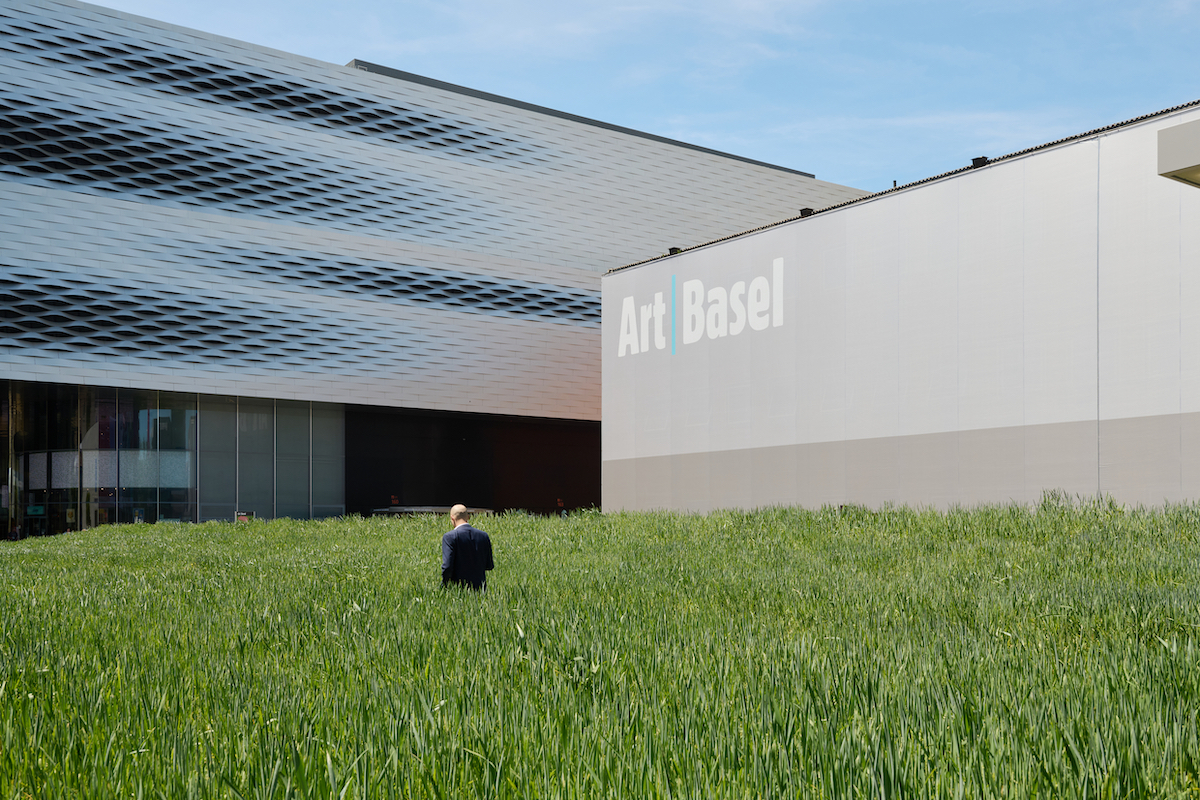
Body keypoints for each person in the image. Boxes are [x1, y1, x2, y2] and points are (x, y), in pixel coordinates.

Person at [441, 504, 493, 590]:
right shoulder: (483, 536)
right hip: (480, 589)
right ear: (468, 517)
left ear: (452, 518)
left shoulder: (450, 537)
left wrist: (445, 586)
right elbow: (489, 565)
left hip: (458, 589)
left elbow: (447, 566)